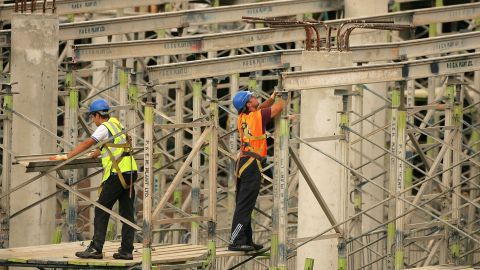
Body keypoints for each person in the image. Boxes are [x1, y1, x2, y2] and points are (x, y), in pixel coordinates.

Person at [50, 98, 138, 260]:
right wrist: (95, 154)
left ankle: (96, 249)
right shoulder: (117, 124)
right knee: (126, 213)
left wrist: (68, 156)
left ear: (98, 115)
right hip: (130, 172)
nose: (92, 120)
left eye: (92, 116)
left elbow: (88, 142)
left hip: (116, 174)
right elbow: (113, 145)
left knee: (101, 209)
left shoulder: (104, 127)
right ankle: (127, 250)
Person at [228, 90, 284, 252]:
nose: (255, 98)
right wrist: (288, 94)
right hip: (250, 165)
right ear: (248, 104)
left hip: (244, 162)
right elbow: (276, 109)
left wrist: (272, 97)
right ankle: (236, 241)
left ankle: (245, 239)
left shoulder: (244, 117)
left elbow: (263, 108)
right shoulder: (256, 117)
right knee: (244, 206)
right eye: (251, 97)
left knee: (245, 204)